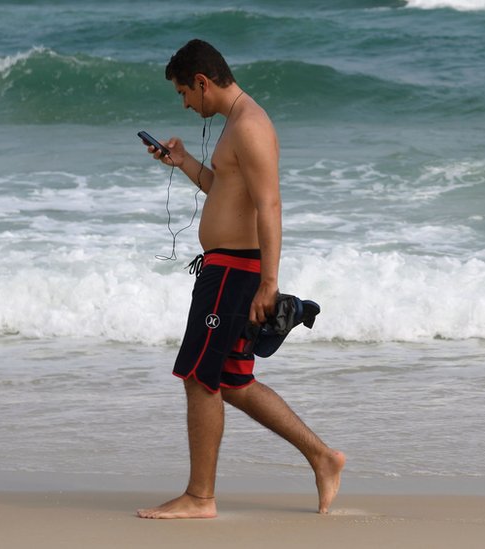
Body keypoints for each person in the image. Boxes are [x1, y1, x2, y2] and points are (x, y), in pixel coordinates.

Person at [136, 39, 345, 519]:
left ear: (203, 82)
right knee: (232, 380)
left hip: (234, 271)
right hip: (225, 267)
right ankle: (323, 457)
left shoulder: (250, 126)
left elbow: (269, 204)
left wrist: (269, 283)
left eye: (185, 93)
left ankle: (200, 497)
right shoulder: (236, 124)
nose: (186, 104)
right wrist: (184, 162)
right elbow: (225, 192)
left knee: (197, 376)